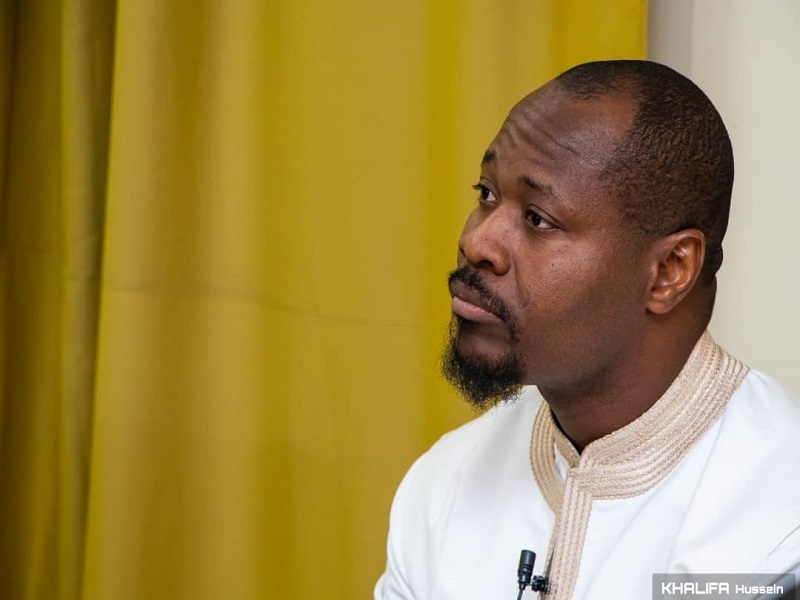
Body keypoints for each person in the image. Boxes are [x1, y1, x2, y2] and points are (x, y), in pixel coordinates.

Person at [374, 60, 800, 600]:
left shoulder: (781, 526)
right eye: (485, 193)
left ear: (668, 271)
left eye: (538, 219)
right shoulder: (443, 487)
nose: (477, 243)